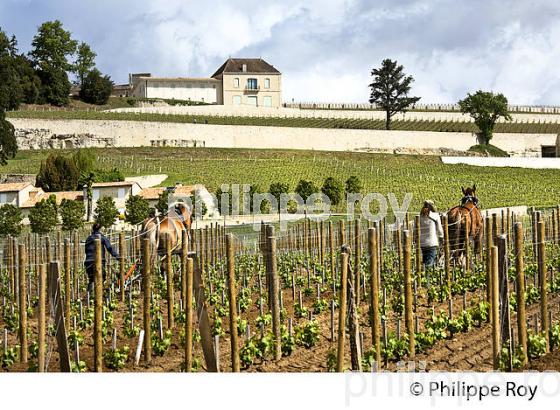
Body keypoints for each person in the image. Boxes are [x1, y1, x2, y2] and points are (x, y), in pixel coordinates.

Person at [84, 223, 119, 294]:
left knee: (91, 279)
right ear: (100, 229)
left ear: (92, 229)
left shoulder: (88, 238)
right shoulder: (102, 238)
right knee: (101, 278)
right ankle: (98, 296)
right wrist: (117, 257)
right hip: (99, 262)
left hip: (88, 262)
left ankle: (89, 296)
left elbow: (86, 250)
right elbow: (110, 249)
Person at [419, 200, 443, 269]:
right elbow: (440, 230)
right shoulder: (435, 216)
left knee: (425, 261)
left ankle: (423, 276)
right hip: (432, 244)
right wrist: (442, 237)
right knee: (429, 264)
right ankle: (427, 278)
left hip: (422, 244)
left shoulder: (420, 216)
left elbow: (415, 230)